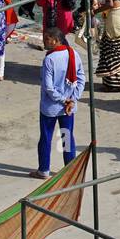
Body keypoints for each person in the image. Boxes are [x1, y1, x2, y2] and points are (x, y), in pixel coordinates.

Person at [30, 28, 85, 178]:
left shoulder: (50, 59)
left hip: (51, 107)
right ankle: (70, 170)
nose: (44, 42)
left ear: (55, 40)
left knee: (46, 138)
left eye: (46, 39)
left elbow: (49, 87)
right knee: (67, 137)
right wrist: (72, 100)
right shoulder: (73, 54)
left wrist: (64, 100)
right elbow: (81, 79)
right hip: (68, 108)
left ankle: (43, 170)